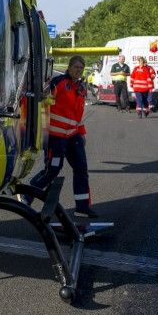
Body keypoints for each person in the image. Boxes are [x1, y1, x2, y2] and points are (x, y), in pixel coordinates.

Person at [31, 54, 94, 218]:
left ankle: (83, 206)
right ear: (69, 67)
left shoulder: (81, 89)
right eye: (76, 67)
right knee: (52, 169)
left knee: (81, 169)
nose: (78, 71)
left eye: (81, 68)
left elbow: (78, 115)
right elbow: (43, 103)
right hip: (55, 136)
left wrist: (82, 134)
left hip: (73, 136)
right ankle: (28, 194)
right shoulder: (58, 83)